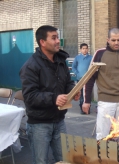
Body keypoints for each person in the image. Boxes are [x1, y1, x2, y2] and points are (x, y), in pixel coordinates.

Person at [19, 25, 80, 164]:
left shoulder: (61, 61)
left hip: (59, 121)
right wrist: (54, 98)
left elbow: (68, 82)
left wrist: (73, 91)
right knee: (41, 161)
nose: (58, 41)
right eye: (54, 38)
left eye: (57, 37)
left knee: (64, 160)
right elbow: (29, 96)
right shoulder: (30, 66)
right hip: (39, 125)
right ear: (42, 42)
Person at [82, 28, 119, 140]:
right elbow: (89, 78)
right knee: (103, 135)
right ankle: (101, 157)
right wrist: (87, 101)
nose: (116, 43)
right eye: (113, 40)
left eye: (118, 40)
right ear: (108, 40)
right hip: (106, 102)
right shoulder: (100, 53)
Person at [72, 43, 92, 114]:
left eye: (86, 48)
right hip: (79, 79)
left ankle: (87, 108)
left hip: (88, 79)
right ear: (81, 50)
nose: (85, 50)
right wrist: (77, 73)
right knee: (81, 94)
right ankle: (82, 109)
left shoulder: (90, 58)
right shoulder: (77, 58)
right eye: (83, 49)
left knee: (87, 94)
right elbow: (73, 67)